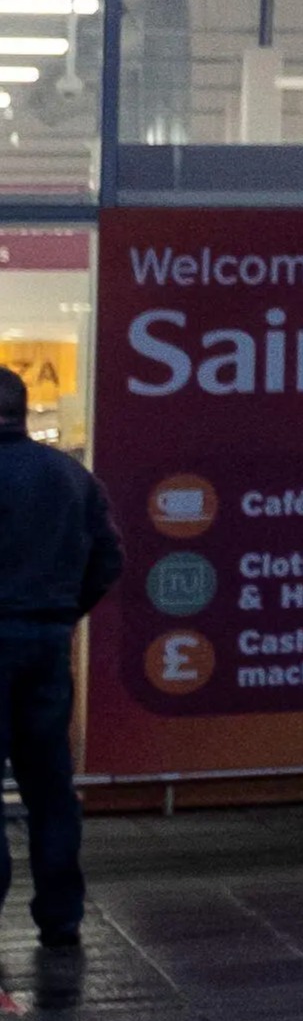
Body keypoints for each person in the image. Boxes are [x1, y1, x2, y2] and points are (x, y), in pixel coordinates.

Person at [0, 369, 119, 947]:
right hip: (47, 643)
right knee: (49, 784)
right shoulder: (71, 477)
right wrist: (64, 613)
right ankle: (61, 915)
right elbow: (109, 559)